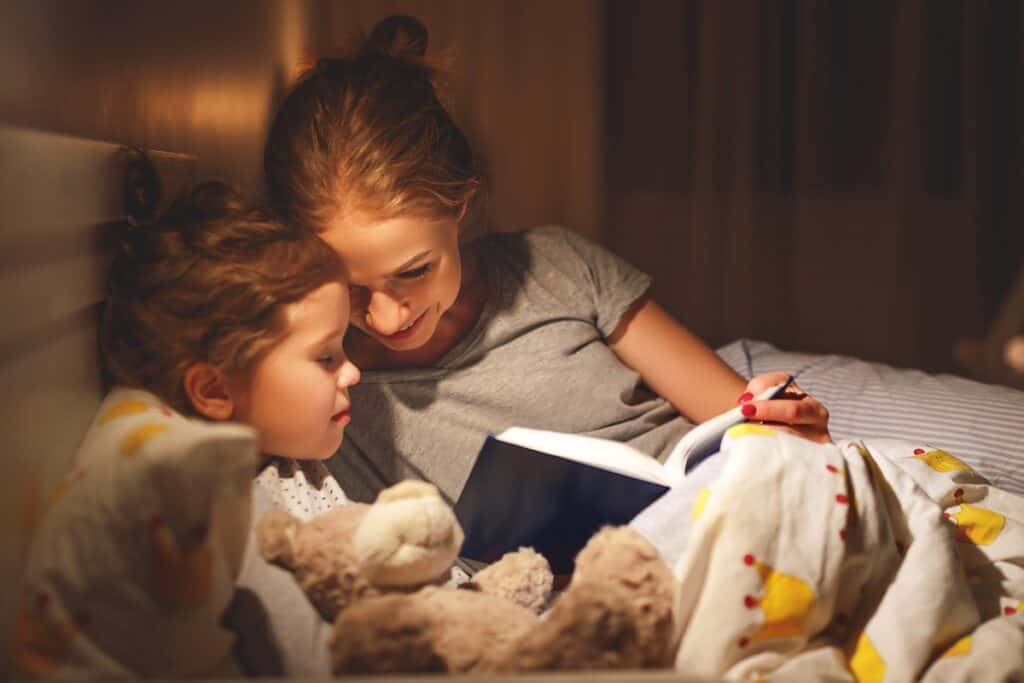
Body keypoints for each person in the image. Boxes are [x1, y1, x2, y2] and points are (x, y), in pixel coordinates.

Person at [263, 15, 830, 505]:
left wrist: (788, 425)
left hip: (719, 501)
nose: (387, 319)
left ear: (461, 205)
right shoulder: (327, 392)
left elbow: (738, 415)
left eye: (414, 271)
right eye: (350, 288)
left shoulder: (557, 266)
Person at [101, 182, 362, 674]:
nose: (352, 372)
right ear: (217, 392)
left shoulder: (290, 463)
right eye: (327, 357)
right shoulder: (228, 509)